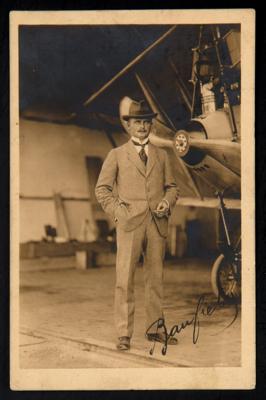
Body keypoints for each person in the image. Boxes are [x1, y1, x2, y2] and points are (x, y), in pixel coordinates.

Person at [95, 97, 179, 351]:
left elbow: (172, 187)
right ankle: (123, 334)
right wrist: (119, 213)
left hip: (157, 223)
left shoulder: (162, 155)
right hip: (129, 224)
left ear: (151, 125)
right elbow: (102, 190)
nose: (142, 127)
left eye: (146, 122)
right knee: (124, 279)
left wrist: (167, 202)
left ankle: (154, 329)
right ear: (128, 126)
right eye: (137, 122)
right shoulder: (116, 155)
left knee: (155, 278)